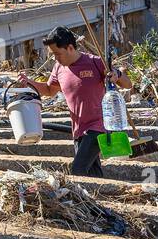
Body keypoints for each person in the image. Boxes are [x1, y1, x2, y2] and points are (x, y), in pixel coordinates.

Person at [19, 25, 132, 178]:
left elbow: (128, 84)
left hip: (99, 127)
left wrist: (117, 75)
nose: (55, 59)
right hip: (78, 130)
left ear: (70, 48)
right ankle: (98, 199)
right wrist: (30, 83)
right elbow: (49, 90)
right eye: (53, 55)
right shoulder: (59, 68)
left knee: (78, 169)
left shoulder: (95, 62)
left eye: (57, 54)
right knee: (92, 174)